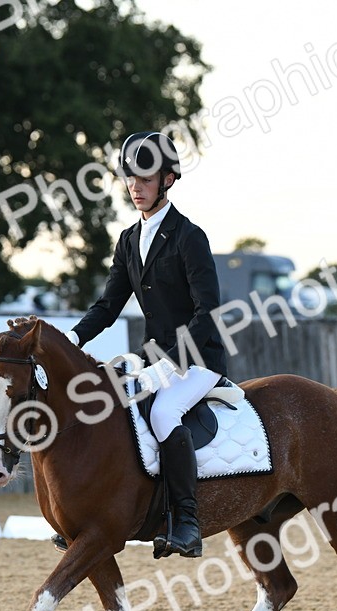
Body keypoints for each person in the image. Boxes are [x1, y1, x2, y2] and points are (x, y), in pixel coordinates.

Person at [65, 130, 229, 559]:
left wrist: (169, 364)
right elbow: (108, 306)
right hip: (151, 355)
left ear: (168, 180)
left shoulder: (189, 236)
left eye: (146, 179)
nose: (136, 187)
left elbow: (207, 312)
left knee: (163, 412)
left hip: (198, 359)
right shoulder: (128, 239)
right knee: (103, 398)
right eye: (131, 178)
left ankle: (187, 523)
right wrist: (72, 337)